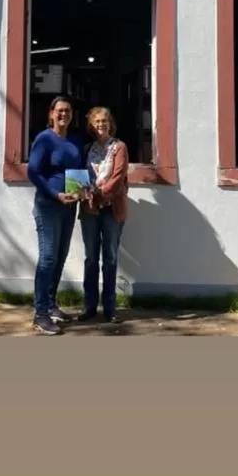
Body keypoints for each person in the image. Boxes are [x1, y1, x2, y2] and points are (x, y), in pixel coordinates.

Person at [27, 96, 84, 335]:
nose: (64, 114)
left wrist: (82, 192)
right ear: (51, 114)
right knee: (48, 257)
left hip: (69, 206)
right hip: (48, 206)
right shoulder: (44, 139)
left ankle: (50, 305)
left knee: (60, 257)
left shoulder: (74, 141)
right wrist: (54, 193)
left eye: (68, 111)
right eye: (60, 111)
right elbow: (33, 172)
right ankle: (40, 314)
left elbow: (78, 172)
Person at [78, 107, 129, 324]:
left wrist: (98, 193)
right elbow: (80, 176)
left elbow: (118, 178)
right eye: (97, 121)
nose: (101, 125)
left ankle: (110, 308)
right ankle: (89, 306)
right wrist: (80, 190)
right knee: (91, 258)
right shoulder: (87, 148)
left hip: (112, 208)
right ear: (91, 125)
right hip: (89, 209)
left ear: (111, 124)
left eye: (105, 121)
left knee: (109, 258)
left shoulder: (119, 147)